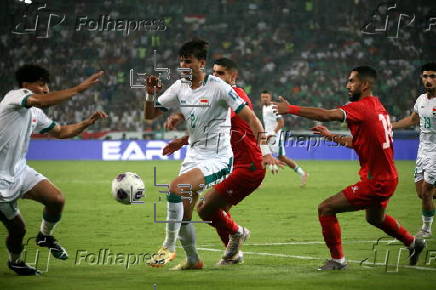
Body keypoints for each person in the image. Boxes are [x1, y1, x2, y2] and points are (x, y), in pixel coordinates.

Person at [273, 66, 426, 270]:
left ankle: (338, 260)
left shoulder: (361, 107)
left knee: (325, 208)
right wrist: (330, 136)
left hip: (377, 182)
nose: (347, 85)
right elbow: (358, 142)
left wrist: (291, 109)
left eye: (352, 81)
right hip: (388, 177)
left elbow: (328, 115)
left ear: (364, 84)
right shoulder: (378, 107)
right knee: (375, 218)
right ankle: (413, 243)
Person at [144, 40, 279, 270]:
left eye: (188, 61)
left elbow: (251, 119)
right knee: (185, 210)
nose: (183, 65)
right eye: (181, 61)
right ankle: (194, 260)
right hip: (193, 157)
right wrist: (149, 94)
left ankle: (168, 245)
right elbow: (150, 116)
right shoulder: (179, 87)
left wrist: (265, 150)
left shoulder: (220, 87)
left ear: (201, 63)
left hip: (218, 159)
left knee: (176, 189)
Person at [0, 65, 106, 275]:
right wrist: (78, 89)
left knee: (56, 199)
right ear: (26, 85)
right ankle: (15, 261)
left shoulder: (35, 114)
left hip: (20, 172)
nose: (46, 89)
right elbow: (39, 99)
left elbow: (61, 132)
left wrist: (87, 123)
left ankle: (44, 236)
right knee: (18, 230)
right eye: (42, 84)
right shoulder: (14, 97)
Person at [392, 62, 436, 238]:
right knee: (421, 194)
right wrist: (390, 125)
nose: (429, 80)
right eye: (426, 76)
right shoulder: (421, 100)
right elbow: (412, 120)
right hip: (422, 150)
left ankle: (426, 229)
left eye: (433, 76)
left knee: (427, 190)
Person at [260, 91, 308, 186]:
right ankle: (258, 182)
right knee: (262, 157)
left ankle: (303, 173)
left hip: (275, 137)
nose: (264, 99)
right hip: (267, 137)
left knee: (280, 158)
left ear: (270, 97)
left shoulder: (274, 108)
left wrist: (272, 133)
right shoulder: (264, 107)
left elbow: (281, 123)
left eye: (266, 97)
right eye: (263, 97)